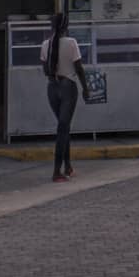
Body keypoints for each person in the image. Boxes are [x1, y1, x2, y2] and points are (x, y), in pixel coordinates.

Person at [40, 12, 90, 182]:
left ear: (52, 26)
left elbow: (45, 71)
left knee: (64, 127)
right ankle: (56, 171)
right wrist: (85, 89)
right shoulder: (71, 43)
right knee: (63, 128)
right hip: (68, 87)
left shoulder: (46, 44)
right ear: (66, 27)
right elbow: (79, 68)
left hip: (52, 88)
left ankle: (68, 166)